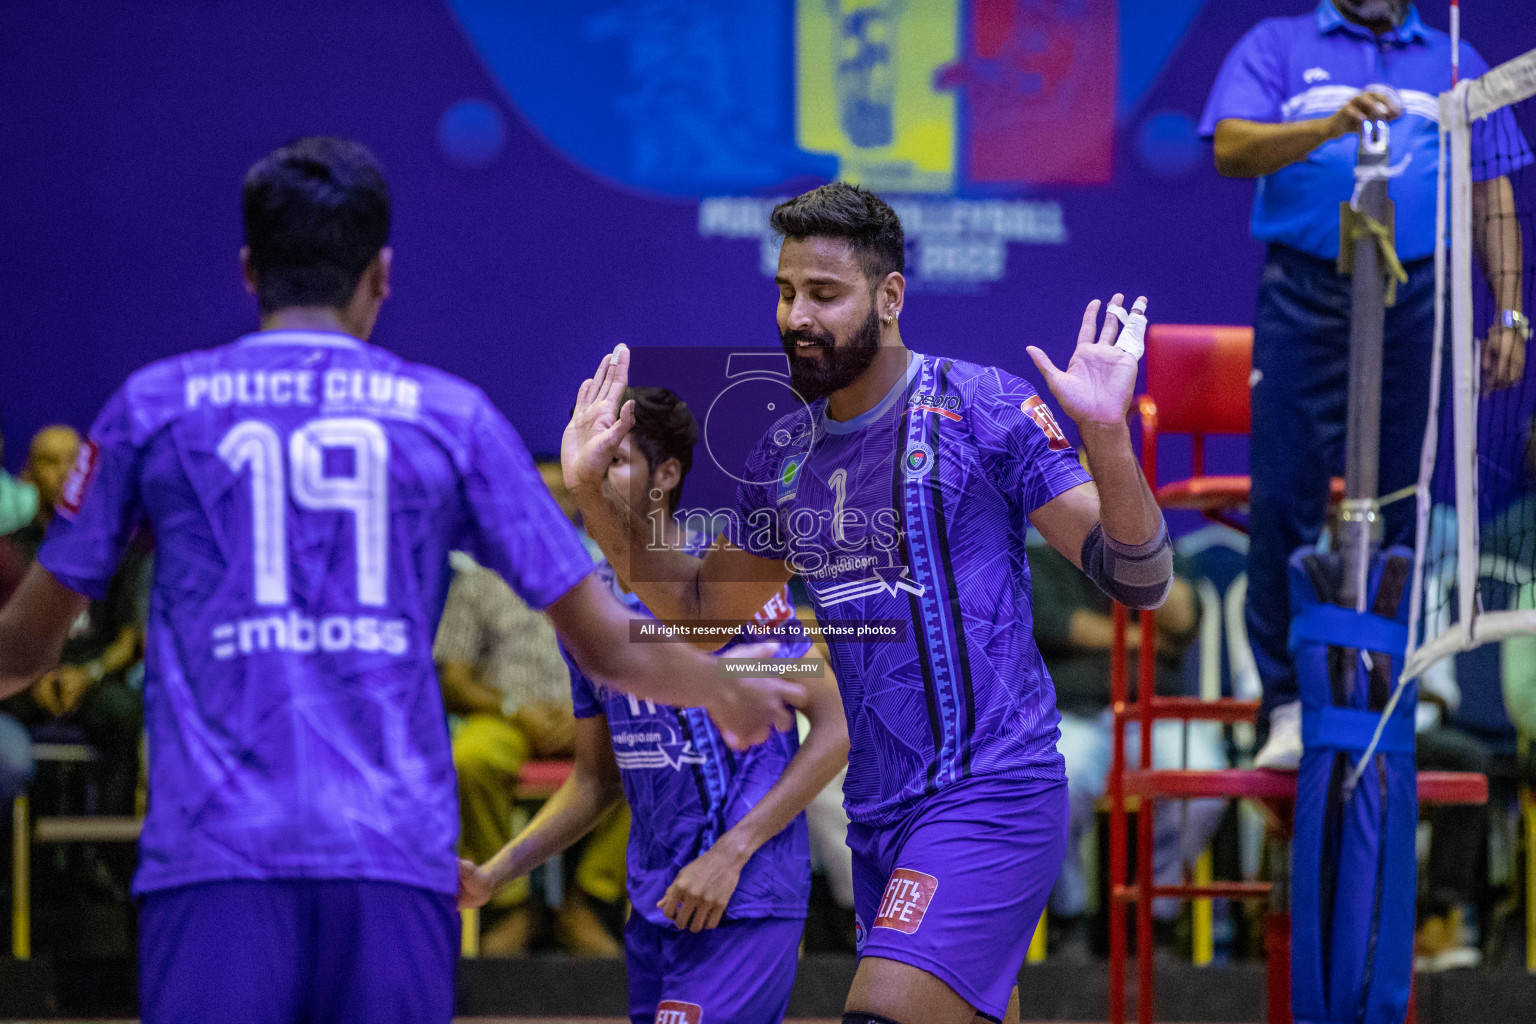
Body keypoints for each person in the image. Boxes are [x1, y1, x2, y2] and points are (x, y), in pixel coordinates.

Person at [0, 136, 800, 1024]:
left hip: (216, 857)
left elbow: (24, 649)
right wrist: (719, 687)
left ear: (248, 269)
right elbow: (610, 643)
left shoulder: (151, 407)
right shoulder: (448, 417)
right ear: (380, 274)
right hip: (391, 861)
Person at [564, 182, 1172, 1024]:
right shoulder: (783, 455)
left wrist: (1106, 436)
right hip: (879, 821)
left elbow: (1139, 577)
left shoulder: (979, 406)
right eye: (785, 292)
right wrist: (595, 496)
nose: (796, 317)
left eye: (823, 293)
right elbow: (705, 616)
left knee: (881, 1016)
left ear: (889, 298)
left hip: (992, 792)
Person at [1199, 0, 1531, 769]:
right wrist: (1327, 127)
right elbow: (1232, 148)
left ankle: (1390, 686)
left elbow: (1492, 193)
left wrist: (1509, 310)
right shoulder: (1278, 45)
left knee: (1406, 502)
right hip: (1308, 288)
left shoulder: (1456, 57)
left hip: (1417, 295)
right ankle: (1284, 702)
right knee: (1285, 498)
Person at [463, 386, 849, 1023]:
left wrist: (731, 852)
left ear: (666, 475)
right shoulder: (586, 611)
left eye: (613, 459)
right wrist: (498, 872)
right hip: (653, 905)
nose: (589, 474)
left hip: (742, 892)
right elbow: (595, 780)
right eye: (584, 457)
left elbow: (837, 722)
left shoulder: (725, 583)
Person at [1026, 538, 1221, 956]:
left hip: (1154, 713)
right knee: (1046, 782)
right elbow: (1049, 623)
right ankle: (1069, 914)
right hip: (1069, 714)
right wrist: (1140, 638)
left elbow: (1185, 622)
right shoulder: (1039, 554)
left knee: (1203, 783)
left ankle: (1155, 917)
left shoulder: (1155, 547)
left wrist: (1134, 558)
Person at [436, 549, 630, 957]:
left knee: (644, 750)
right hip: (504, 714)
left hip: (587, 713)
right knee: (469, 758)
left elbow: (630, 657)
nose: (554, 483)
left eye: (562, 479)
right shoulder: (480, 576)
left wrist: (589, 710)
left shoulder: (603, 573)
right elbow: (452, 679)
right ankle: (509, 904)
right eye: (544, 478)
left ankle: (589, 899)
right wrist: (513, 709)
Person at [1, 425, 146, 821]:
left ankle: (104, 857)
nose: (65, 471)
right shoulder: (9, 552)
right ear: (27, 476)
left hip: (91, 677)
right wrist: (32, 680)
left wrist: (89, 674)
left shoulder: (114, 550)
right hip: (25, 685)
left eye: (75, 461)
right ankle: (18, 866)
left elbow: (129, 640)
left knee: (126, 714)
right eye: (51, 462)